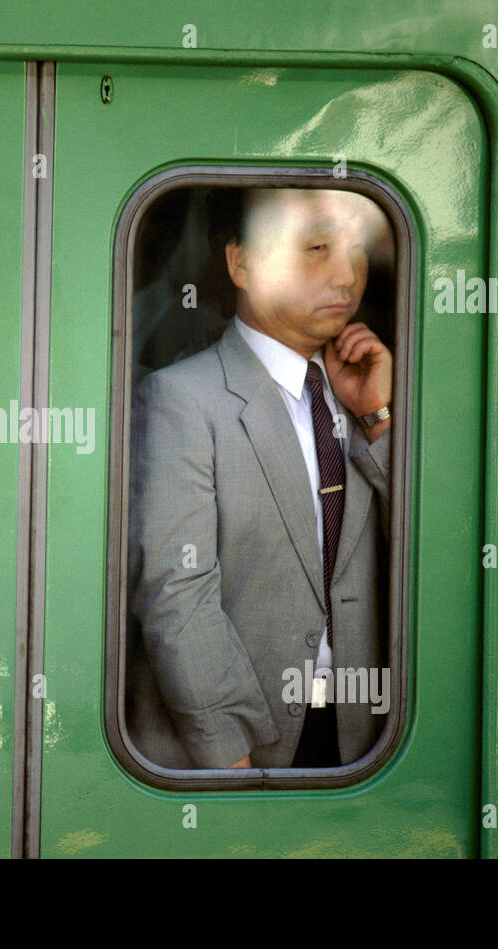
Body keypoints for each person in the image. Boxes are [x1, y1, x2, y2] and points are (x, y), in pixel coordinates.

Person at [128, 187, 392, 770]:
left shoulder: (373, 393)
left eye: (356, 248)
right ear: (242, 263)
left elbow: (435, 555)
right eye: (317, 247)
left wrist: (377, 419)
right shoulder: (182, 399)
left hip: (369, 741)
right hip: (250, 751)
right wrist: (231, 760)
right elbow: (177, 593)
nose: (347, 273)